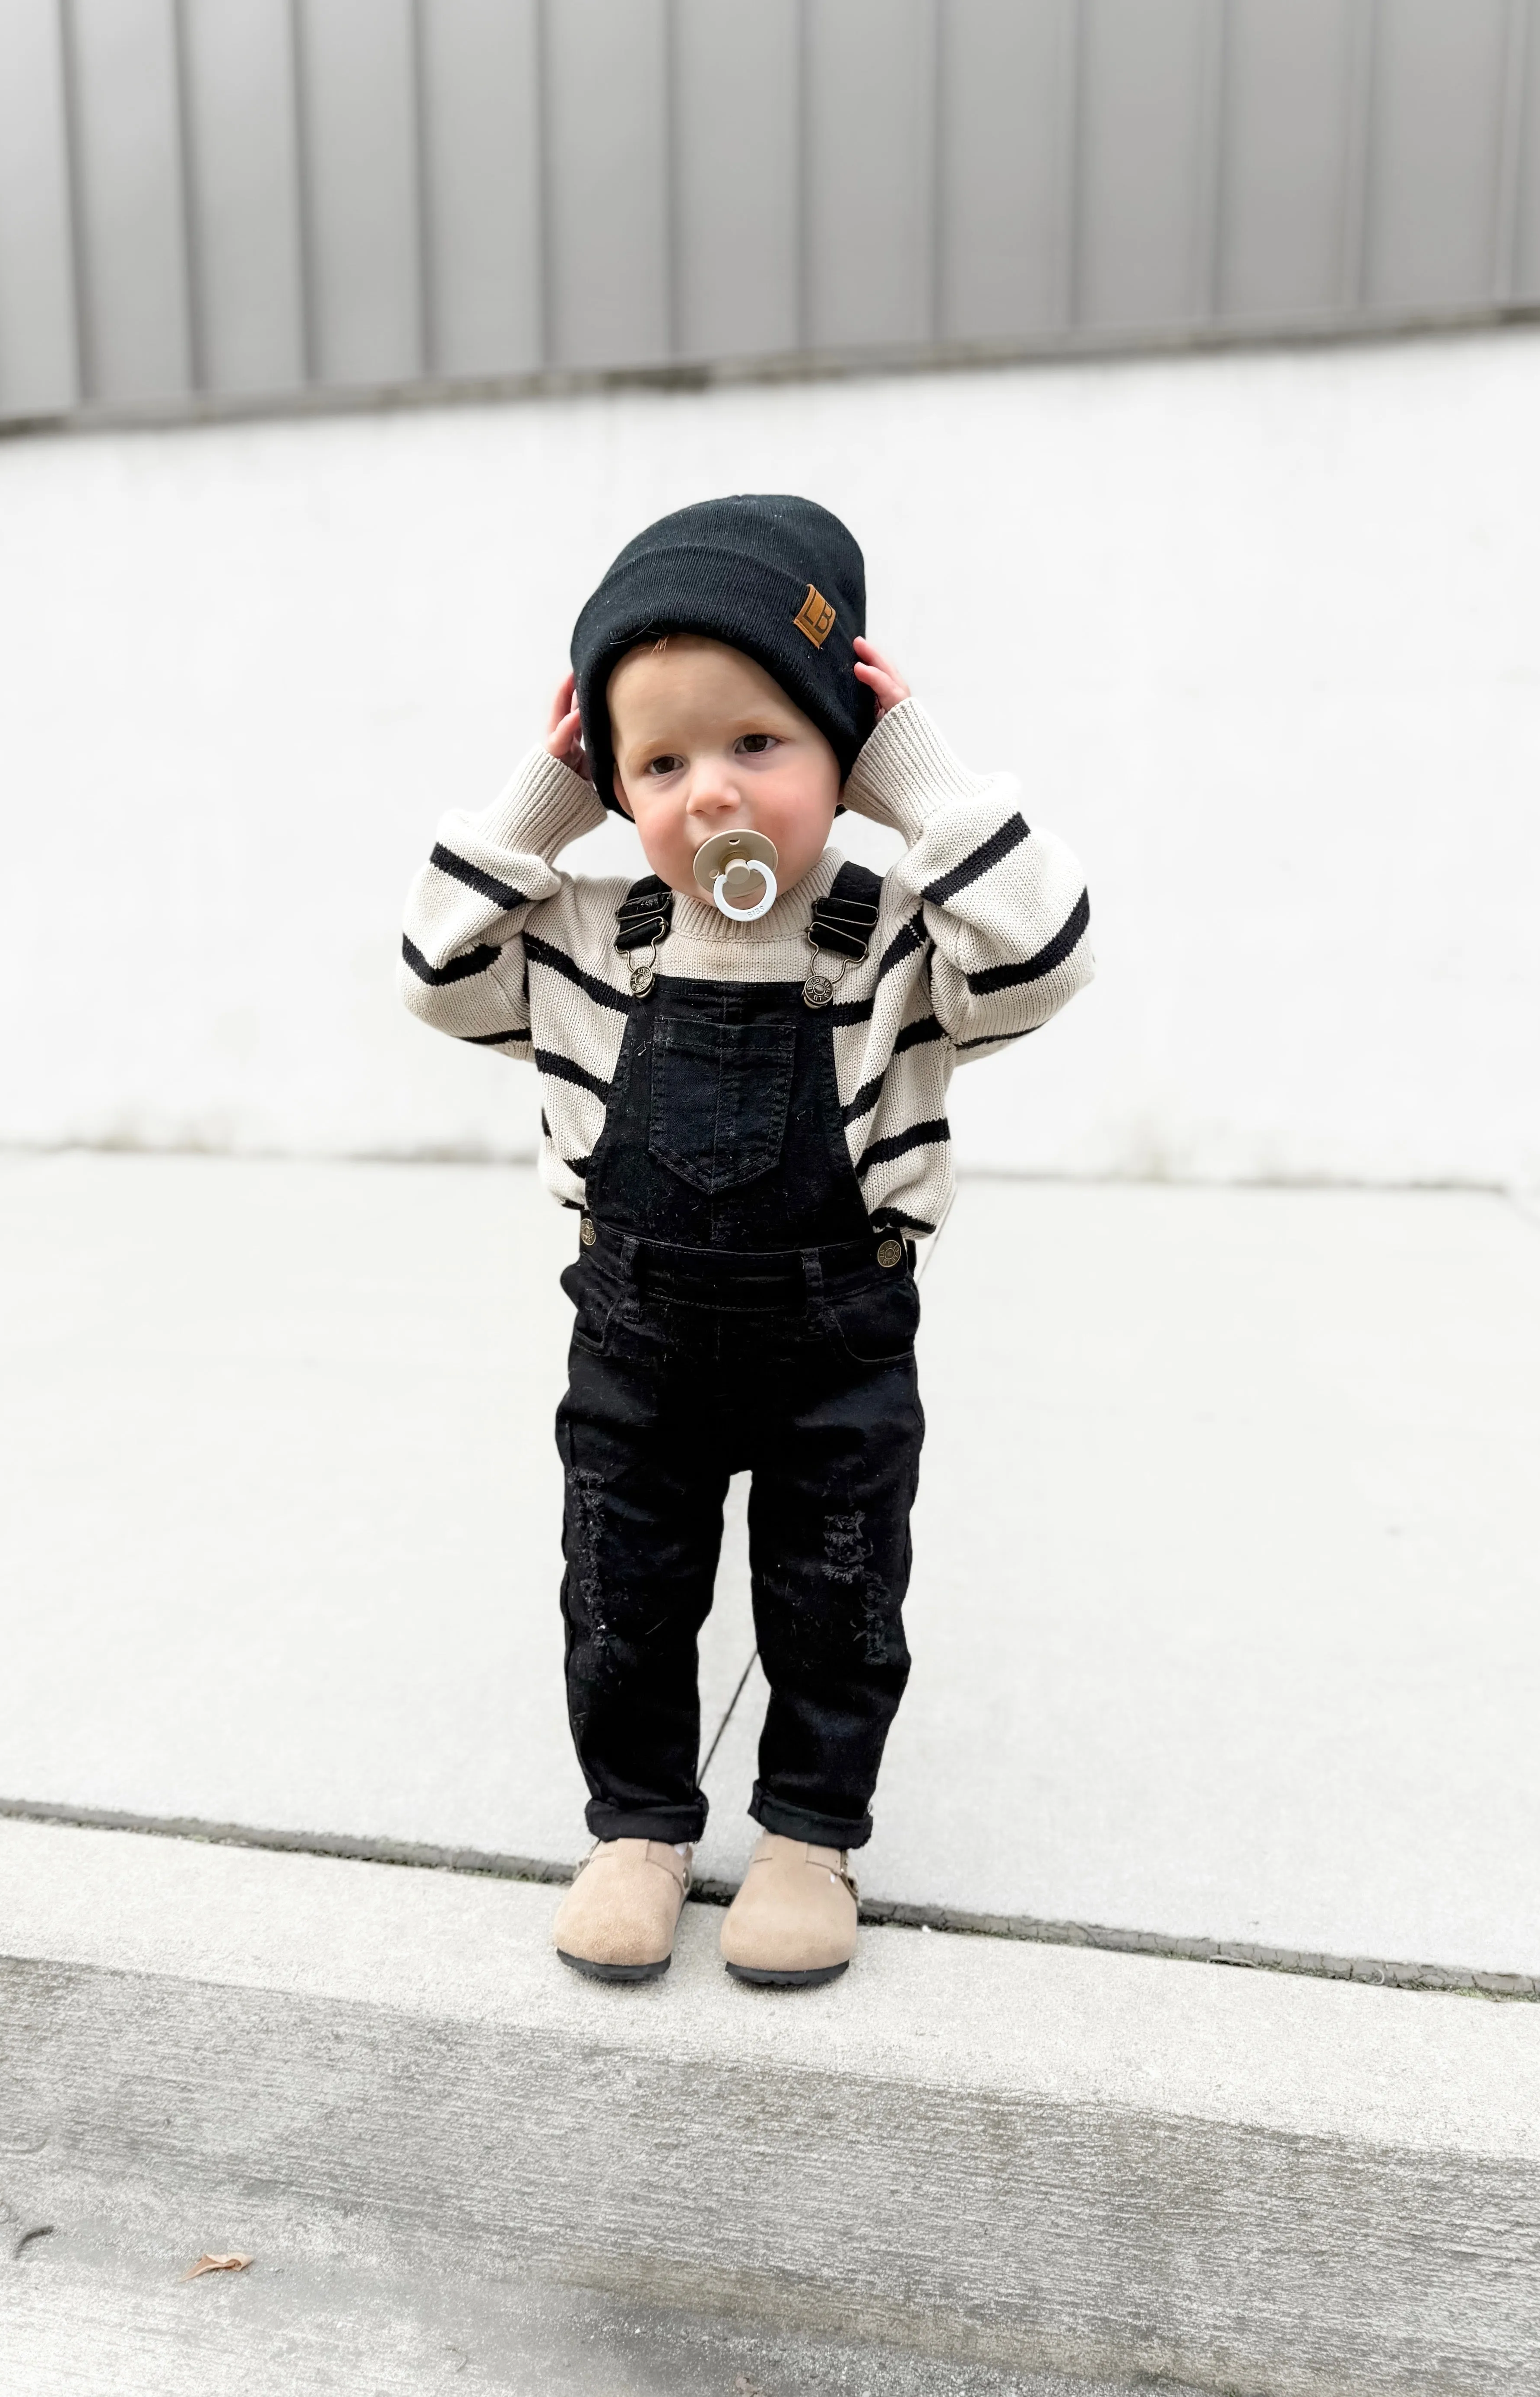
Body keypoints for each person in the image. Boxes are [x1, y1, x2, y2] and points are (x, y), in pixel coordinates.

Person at [399, 495, 1091, 1989]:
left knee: (834, 1595)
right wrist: (543, 800)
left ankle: (806, 1837)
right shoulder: (592, 934)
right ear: (610, 781)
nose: (710, 794)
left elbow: (1043, 951)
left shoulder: (899, 938)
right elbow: (432, 967)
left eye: (758, 745)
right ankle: (638, 1827)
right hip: (635, 1340)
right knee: (620, 1588)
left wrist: (924, 784)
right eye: (661, 761)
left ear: (844, 753)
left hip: (834, 1343)